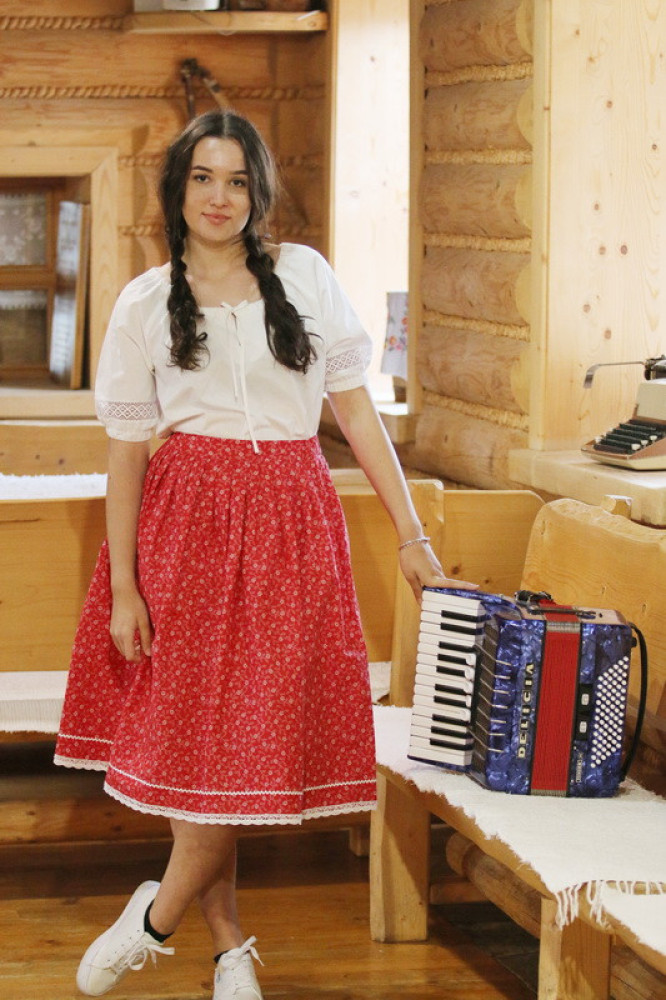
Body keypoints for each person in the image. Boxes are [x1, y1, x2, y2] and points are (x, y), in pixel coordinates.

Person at [54, 109, 473, 1000]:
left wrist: (412, 534)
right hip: (186, 531)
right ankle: (229, 949)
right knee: (199, 749)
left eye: (237, 181)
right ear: (178, 189)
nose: (220, 197)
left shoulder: (306, 276)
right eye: (203, 178)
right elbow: (126, 454)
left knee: (248, 739)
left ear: (259, 193)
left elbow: (355, 412)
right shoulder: (143, 303)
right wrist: (124, 585)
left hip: (291, 526)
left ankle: (155, 916)